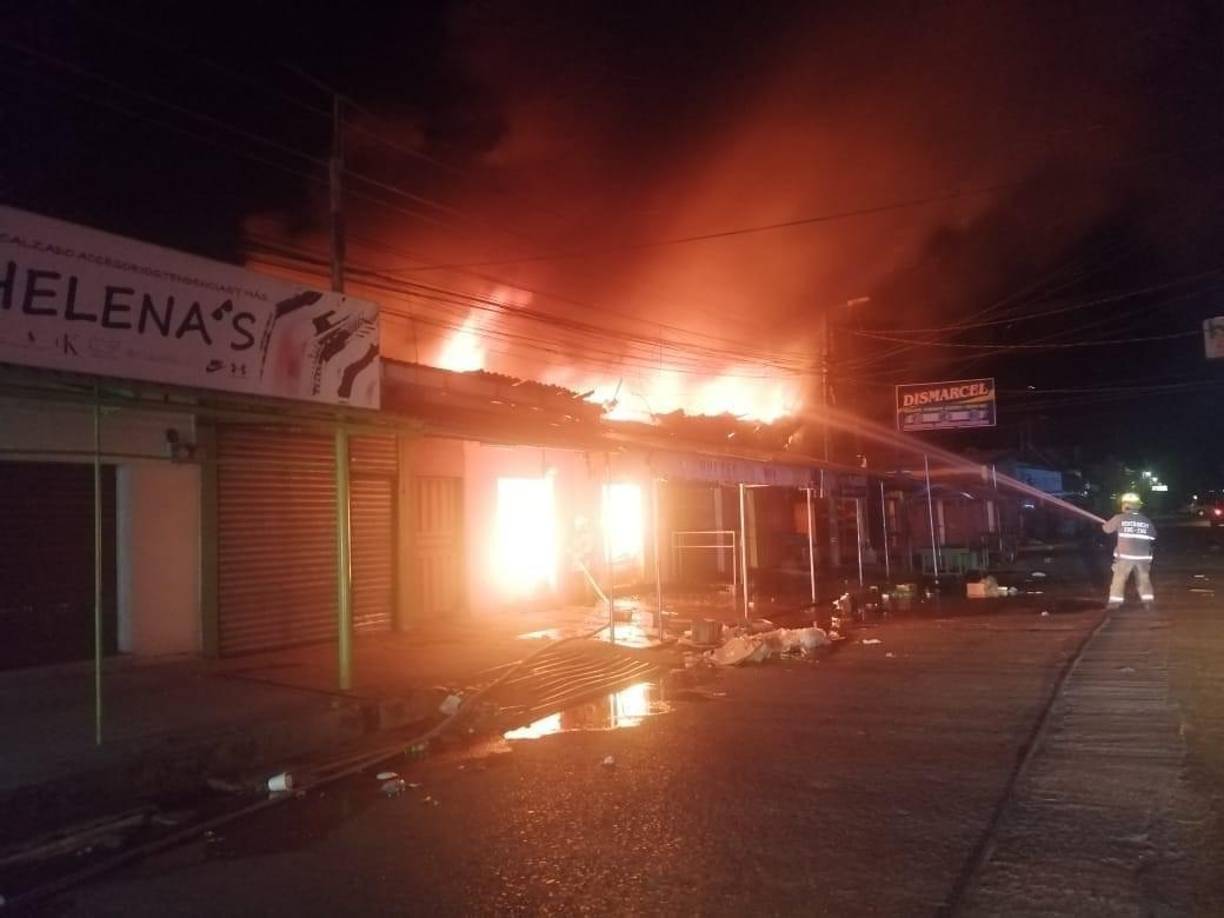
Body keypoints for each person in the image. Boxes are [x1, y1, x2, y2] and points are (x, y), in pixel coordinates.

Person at [1102, 492, 1156, 610]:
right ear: (1138, 506)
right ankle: (1148, 602)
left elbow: (1106, 529)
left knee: (1119, 579)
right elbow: (1153, 536)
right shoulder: (1146, 520)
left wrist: (1107, 524)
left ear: (1125, 505)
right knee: (1143, 579)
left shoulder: (1119, 518)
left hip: (1125, 557)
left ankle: (1115, 603)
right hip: (1143, 557)